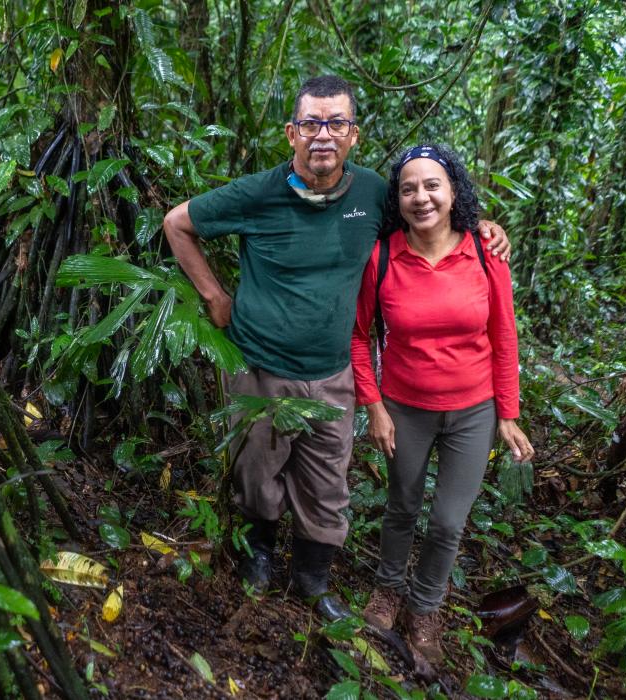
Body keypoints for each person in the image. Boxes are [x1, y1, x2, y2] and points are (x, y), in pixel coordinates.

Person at [162, 75, 510, 620]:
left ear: (353, 136)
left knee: (327, 485)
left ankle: (313, 579)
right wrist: (214, 297)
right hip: (260, 366)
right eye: (311, 123)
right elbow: (177, 223)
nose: (322, 135)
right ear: (291, 133)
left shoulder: (374, 193)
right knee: (256, 473)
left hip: (332, 373)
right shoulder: (258, 192)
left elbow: (433, 219)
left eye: (336, 123)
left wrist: (483, 227)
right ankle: (257, 557)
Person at [351, 144, 534, 675]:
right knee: (402, 507)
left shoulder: (483, 252)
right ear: (398, 198)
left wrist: (507, 412)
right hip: (405, 407)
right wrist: (375, 406)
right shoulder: (382, 256)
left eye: (433, 185)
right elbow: (359, 337)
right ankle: (387, 592)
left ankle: (425, 609)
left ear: (454, 191)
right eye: (409, 188)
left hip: (473, 410)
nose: (421, 197)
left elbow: (503, 335)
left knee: (449, 522)